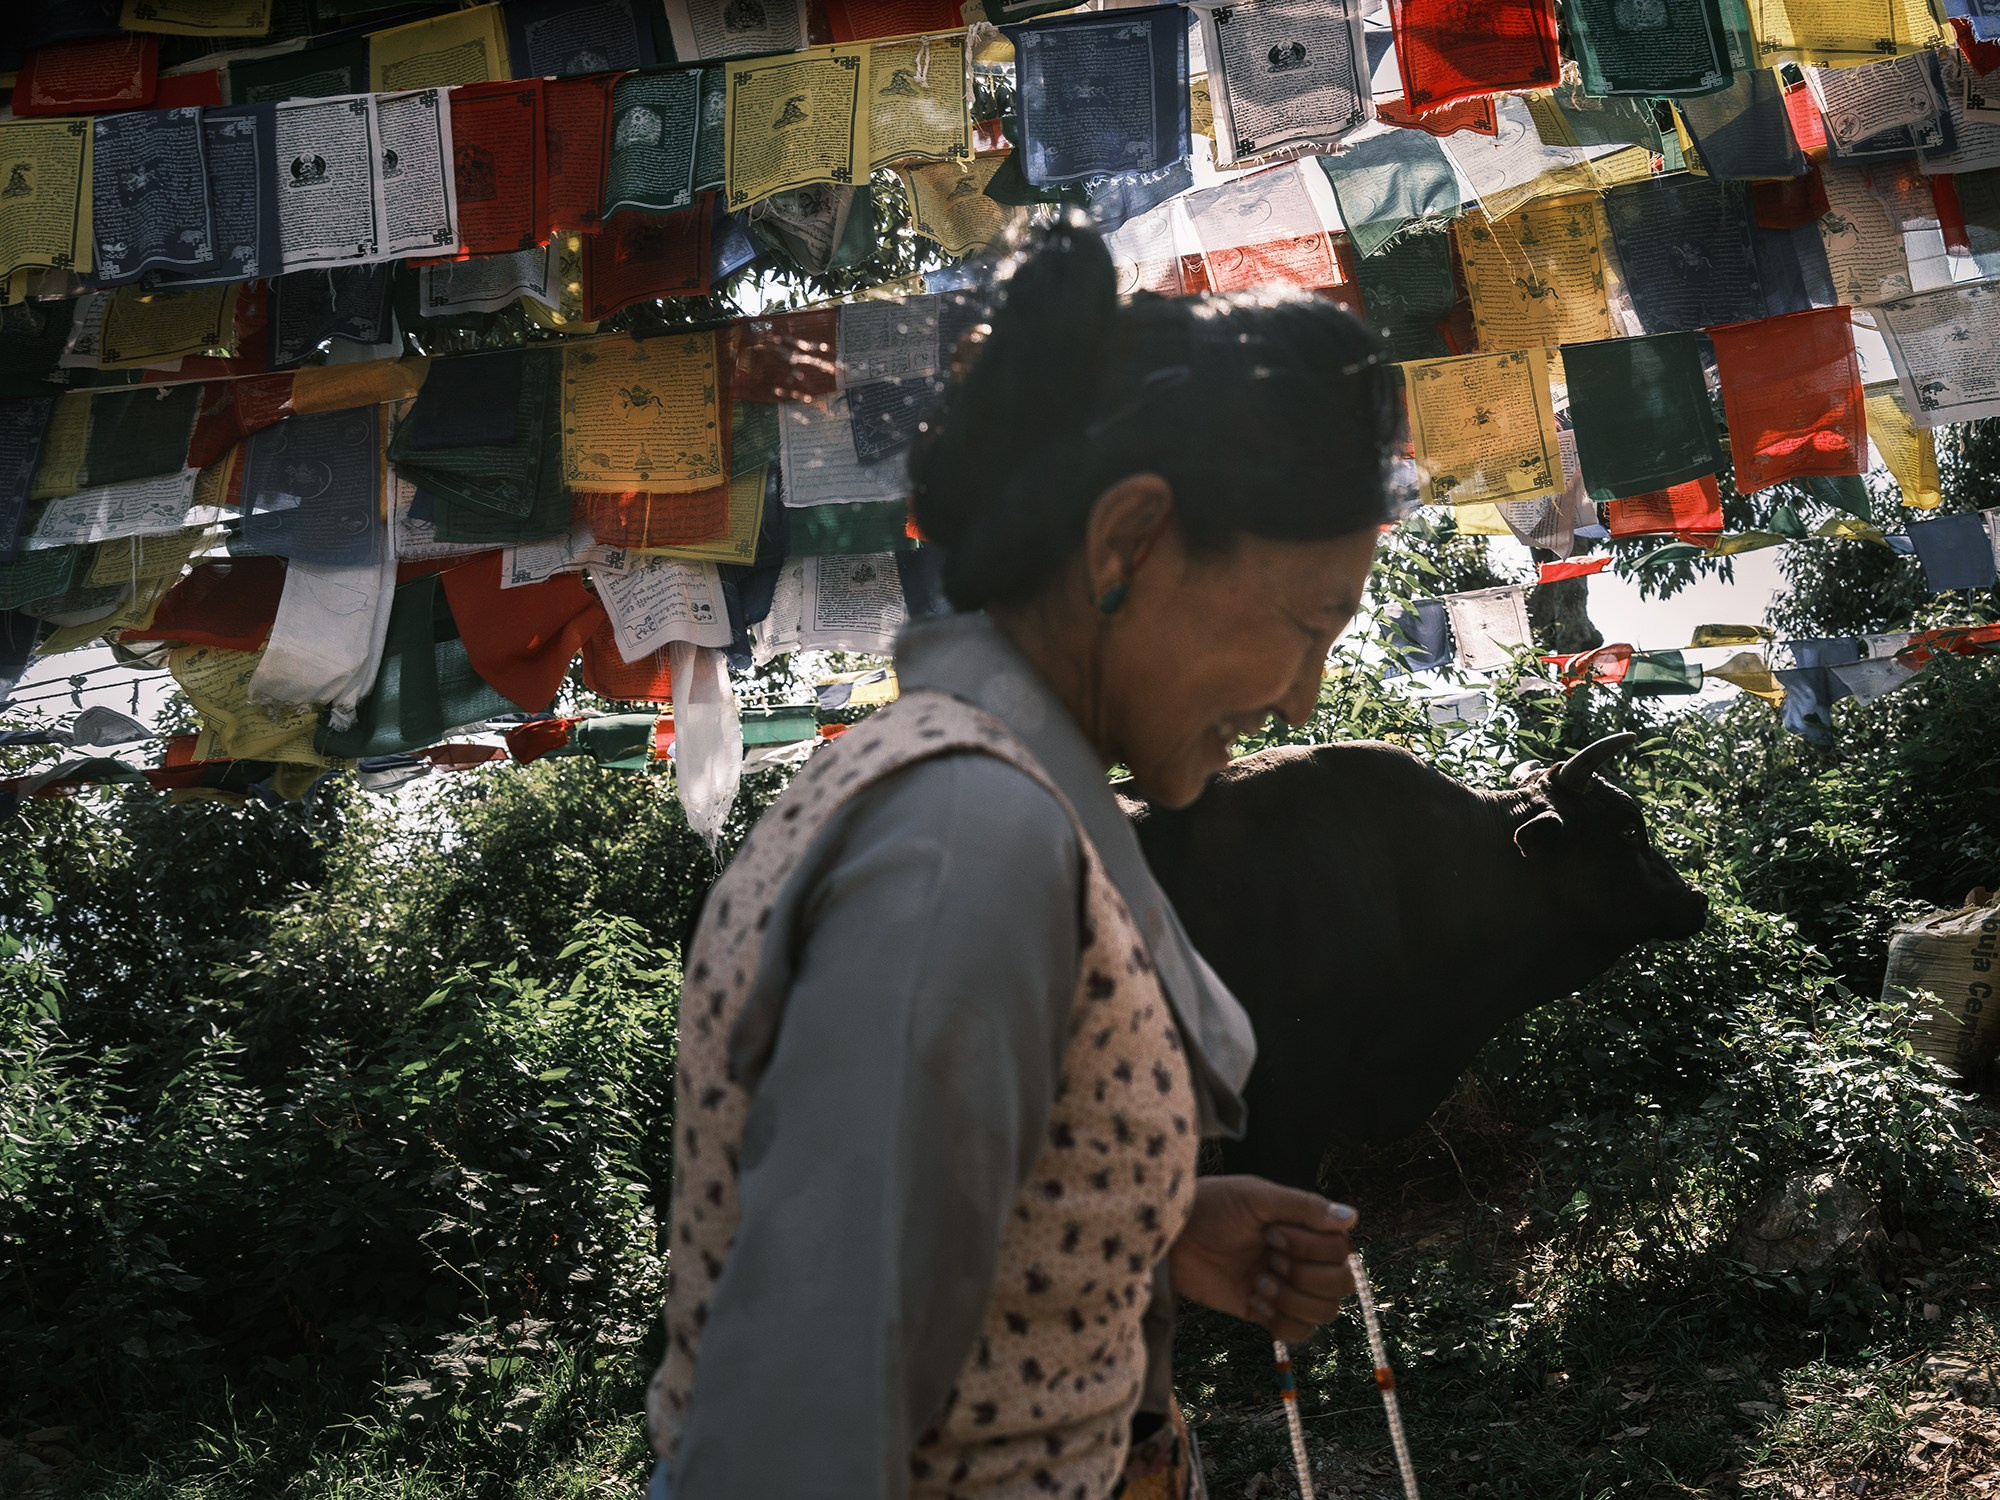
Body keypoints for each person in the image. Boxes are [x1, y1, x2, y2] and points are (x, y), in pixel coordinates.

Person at [645, 219, 1412, 1499]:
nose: (1301, 698)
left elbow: (905, 1222)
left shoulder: (971, 795)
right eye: (1307, 624)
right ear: (1128, 542)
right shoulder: (969, 839)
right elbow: (792, 1428)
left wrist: (1131, 1230)